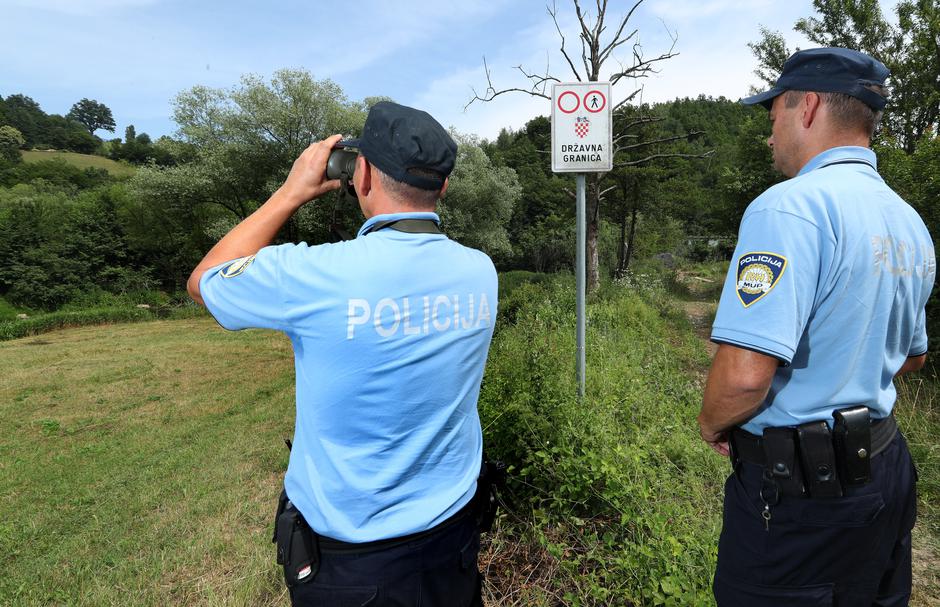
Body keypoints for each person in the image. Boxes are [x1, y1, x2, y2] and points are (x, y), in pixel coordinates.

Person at [187, 101, 497, 606]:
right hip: (453, 533)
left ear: (363, 173)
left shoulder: (314, 276)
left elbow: (204, 282)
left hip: (353, 559)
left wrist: (290, 193)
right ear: (443, 186)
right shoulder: (480, 271)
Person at [697, 47, 935, 606]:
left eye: (773, 111)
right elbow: (914, 355)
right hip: (885, 469)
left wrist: (712, 425)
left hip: (802, 494)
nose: (770, 130)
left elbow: (744, 378)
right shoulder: (908, 222)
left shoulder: (787, 209)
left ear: (806, 107)